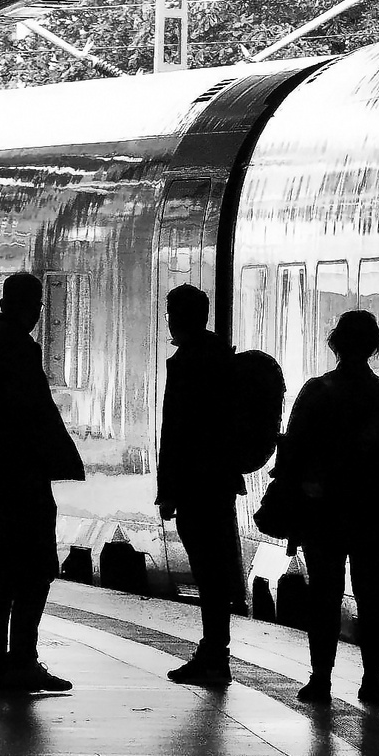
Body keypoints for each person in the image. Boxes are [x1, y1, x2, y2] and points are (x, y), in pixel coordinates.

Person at [273, 309, 379, 706]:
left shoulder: (317, 393)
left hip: (324, 512)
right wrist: (374, 480)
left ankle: (320, 679)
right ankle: (373, 679)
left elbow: (292, 450)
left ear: (335, 344)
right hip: (377, 511)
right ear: (374, 347)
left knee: (324, 593)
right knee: (373, 592)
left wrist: (307, 484)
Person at [0, 272, 85, 693]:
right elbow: (32, 416)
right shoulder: (15, 349)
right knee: (35, 570)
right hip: (21, 478)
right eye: (36, 307)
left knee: (1, 573)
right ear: (29, 307)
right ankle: (21, 662)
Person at [157, 284, 246, 686]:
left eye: (172, 314)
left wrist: (168, 490)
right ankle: (215, 653)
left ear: (181, 318)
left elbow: (175, 431)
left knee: (208, 573)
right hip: (222, 481)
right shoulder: (224, 358)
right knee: (217, 571)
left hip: (195, 483)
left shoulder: (187, 363)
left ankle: (213, 656)